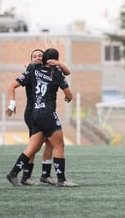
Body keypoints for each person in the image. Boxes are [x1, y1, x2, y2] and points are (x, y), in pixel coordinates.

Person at [5, 48, 77, 187]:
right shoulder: (55, 72)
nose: (37, 58)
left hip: (35, 113)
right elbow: (69, 94)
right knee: (59, 145)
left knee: (34, 147)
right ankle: (61, 179)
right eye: (35, 56)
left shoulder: (33, 69)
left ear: (44, 59)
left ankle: (14, 173)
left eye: (40, 56)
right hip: (46, 113)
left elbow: (65, 71)